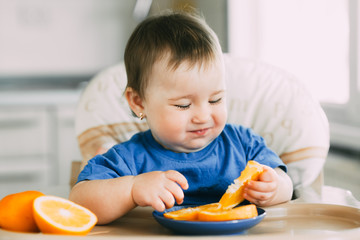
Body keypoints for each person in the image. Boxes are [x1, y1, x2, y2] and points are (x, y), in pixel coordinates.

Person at [69, 10, 293, 225]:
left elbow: (286, 183)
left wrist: (274, 189)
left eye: (215, 100)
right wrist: (132, 189)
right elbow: (80, 201)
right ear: (138, 102)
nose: (203, 116)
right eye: (183, 105)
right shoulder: (130, 158)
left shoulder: (243, 145)